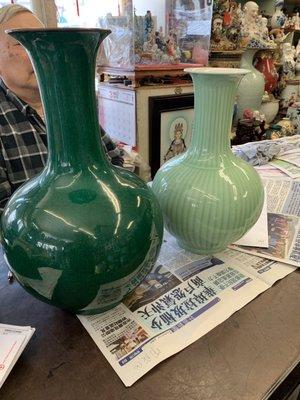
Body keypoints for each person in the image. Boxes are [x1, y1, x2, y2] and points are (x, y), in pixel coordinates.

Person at [0, 4, 123, 213]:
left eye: (44, 41)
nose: (41, 51)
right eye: (22, 42)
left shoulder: (69, 102)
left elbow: (114, 162)